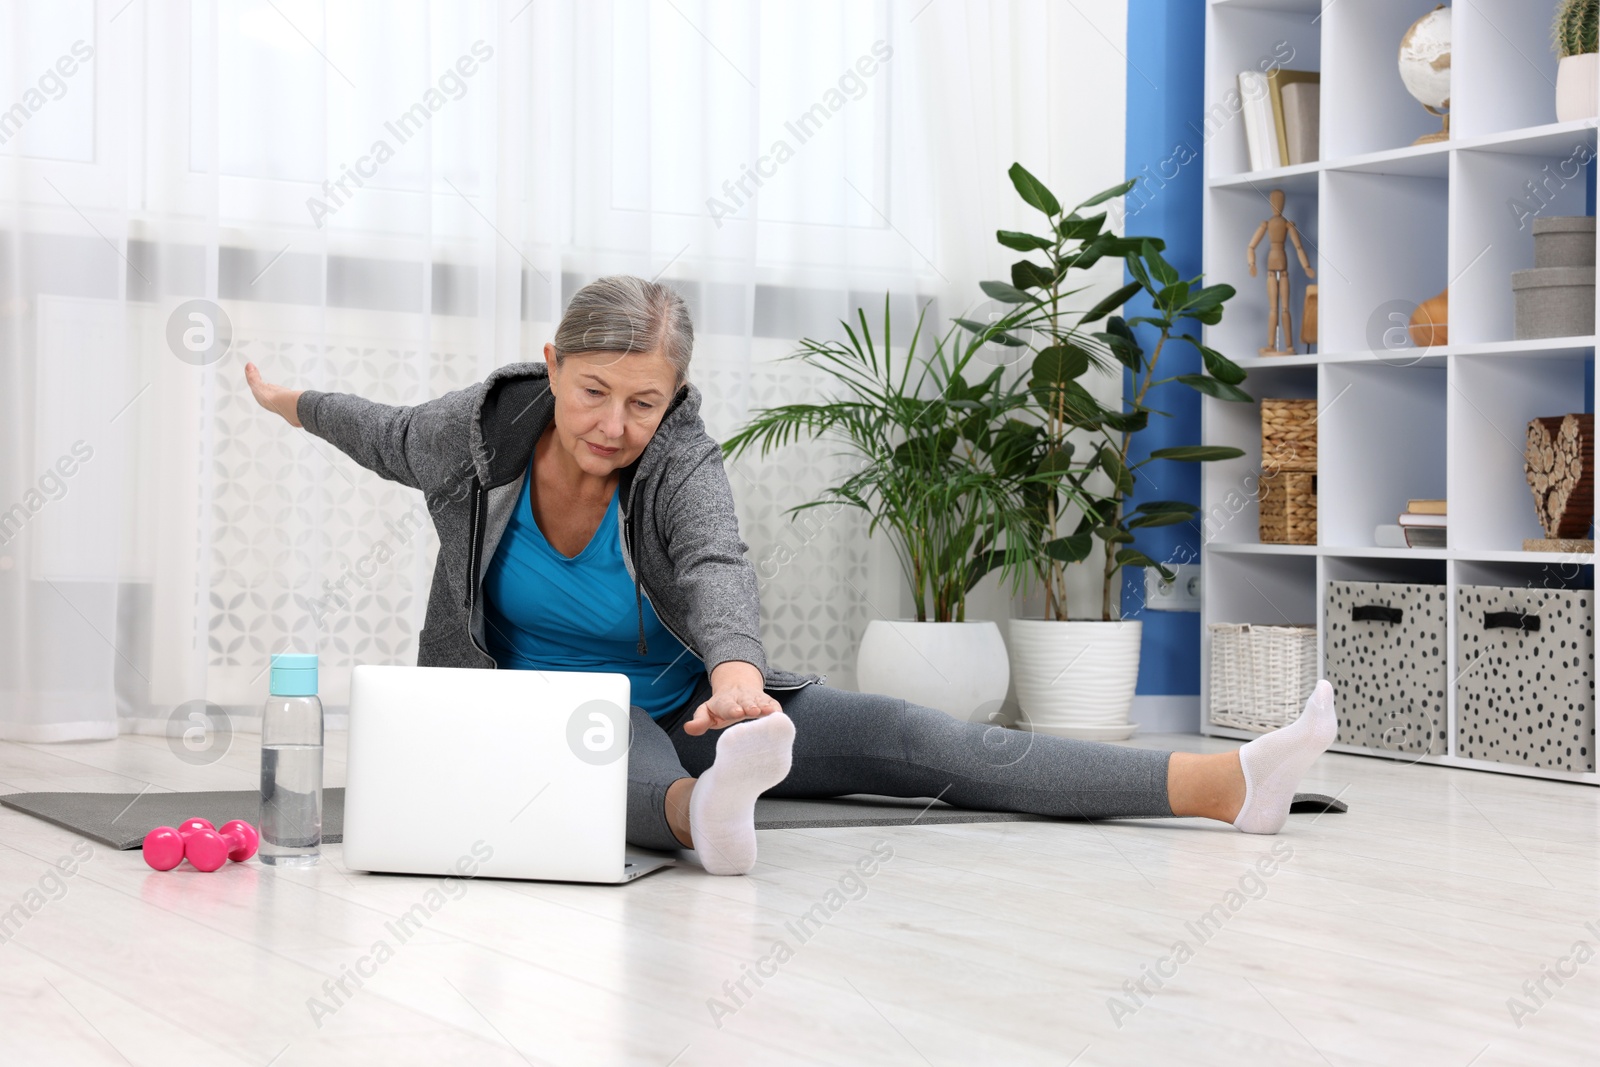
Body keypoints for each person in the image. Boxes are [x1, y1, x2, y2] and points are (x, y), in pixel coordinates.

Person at [245, 275, 1338, 876]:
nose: (614, 424)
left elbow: (718, 557)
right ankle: (699, 811)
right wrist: (285, 399)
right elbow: (376, 429)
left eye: (644, 400)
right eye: (591, 393)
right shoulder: (476, 432)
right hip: (556, 710)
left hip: (708, 701)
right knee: (603, 776)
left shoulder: (677, 457)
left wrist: (734, 673)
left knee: (931, 740)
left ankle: (1229, 781)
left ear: (674, 394)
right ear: (550, 366)